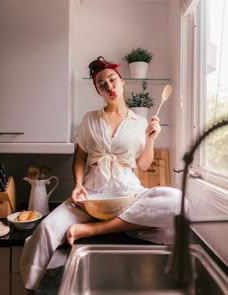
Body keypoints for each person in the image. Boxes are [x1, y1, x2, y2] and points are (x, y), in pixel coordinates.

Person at [20, 56, 182, 293]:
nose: (109, 86)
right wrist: (77, 185)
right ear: (98, 91)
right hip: (91, 196)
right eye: (102, 84)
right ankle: (32, 288)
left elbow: (144, 165)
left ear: (122, 81)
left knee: (177, 202)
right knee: (45, 230)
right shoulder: (89, 120)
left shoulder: (140, 122)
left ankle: (93, 229)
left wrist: (150, 139)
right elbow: (80, 157)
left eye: (112, 80)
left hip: (128, 195)